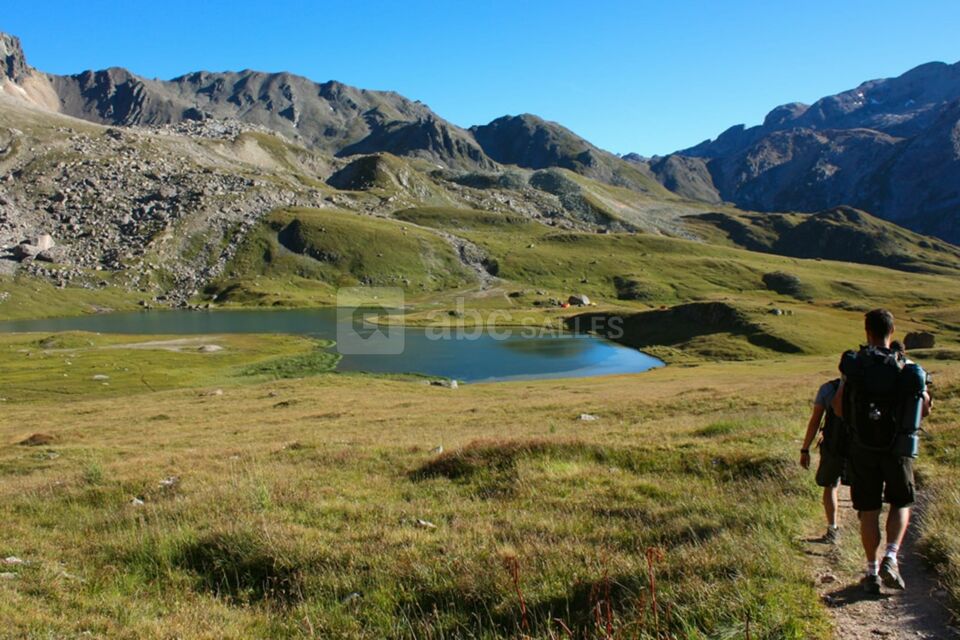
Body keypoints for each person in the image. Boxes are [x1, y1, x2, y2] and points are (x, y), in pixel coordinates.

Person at [832, 309, 931, 595]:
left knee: (868, 510)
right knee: (901, 503)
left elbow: (838, 407)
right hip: (897, 447)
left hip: (862, 448)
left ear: (867, 331)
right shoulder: (906, 366)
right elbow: (922, 409)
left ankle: (871, 571)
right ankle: (891, 556)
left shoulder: (856, 366)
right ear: (892, 330)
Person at [799, 377, 845, 543]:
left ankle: (832, 529)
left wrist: (805, 449)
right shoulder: (868, 384)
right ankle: (865, 523)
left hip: (833, 445)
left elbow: (815, 421)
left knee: (830, 486)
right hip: (862, 446)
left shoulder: (828, 389)